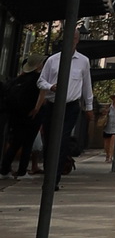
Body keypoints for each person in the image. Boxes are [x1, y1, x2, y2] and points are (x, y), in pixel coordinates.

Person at [35, 38, 93, 173]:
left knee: (62, 139)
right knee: (49, 140)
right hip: (52, 105)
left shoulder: (83, 61)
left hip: (70, 106)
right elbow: (41, 81)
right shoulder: (52, 60)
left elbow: (86, 85)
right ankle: (48, 170)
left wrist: (89, 107)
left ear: (77, 41)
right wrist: (51, 86)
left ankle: (56, 174)